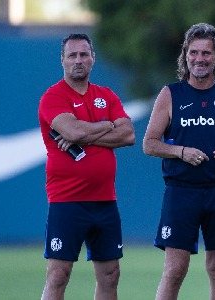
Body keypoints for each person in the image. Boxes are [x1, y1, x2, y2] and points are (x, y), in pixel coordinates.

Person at [142, 23, 215, 300]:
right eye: (193, 52)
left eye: (206, 53)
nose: (199, 59)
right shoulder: (171, 94)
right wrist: (181, 151)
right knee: (174, 270)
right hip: (182, 191)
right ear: (185, 55)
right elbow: (149, 143)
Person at [38, 33, 136, 300]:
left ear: (92, 59)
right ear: (63, 61)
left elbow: (128, 135)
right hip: (67, 200)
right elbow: (72, 129)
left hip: (105, 200)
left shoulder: (106, 96)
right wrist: (106, 126)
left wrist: (85, 132)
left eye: (84, 54)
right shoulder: (53, 97)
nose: (78, 60)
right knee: (58, 275)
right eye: (72, 55)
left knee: (110, 274)